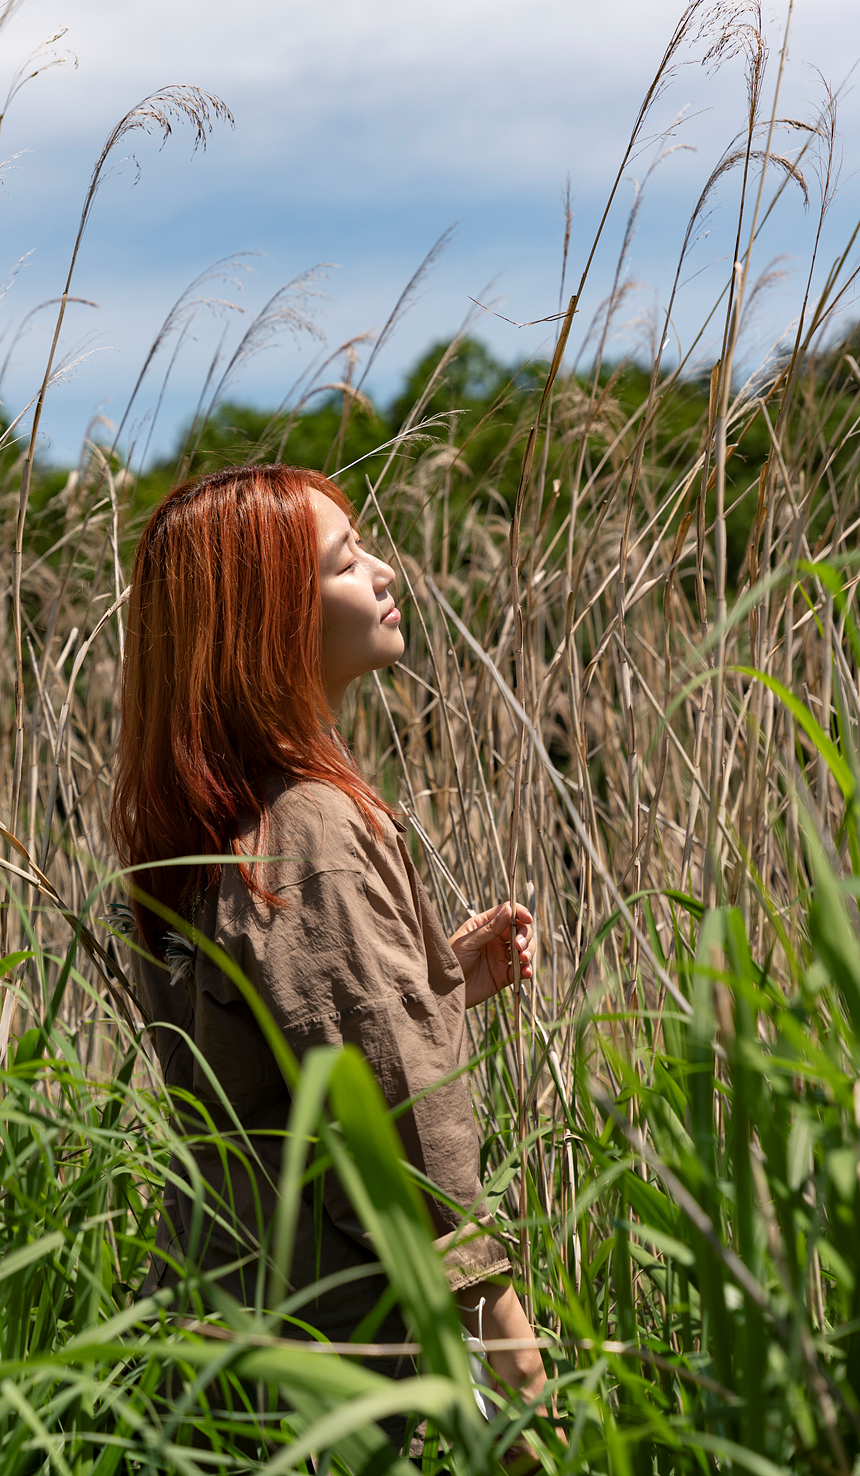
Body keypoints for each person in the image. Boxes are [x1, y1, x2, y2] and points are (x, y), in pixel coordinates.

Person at [110, 463, 546, 1428]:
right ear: (267, 620)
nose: (387, 571)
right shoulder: (313, 829)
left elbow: (275, 1060)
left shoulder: (203, 833)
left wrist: (431, 983)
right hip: (341, 1373)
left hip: (218, 1334)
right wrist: (519, 1375)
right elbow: (407, 1136)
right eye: (346, 561)